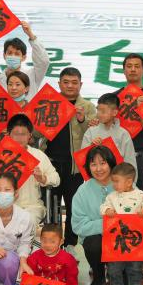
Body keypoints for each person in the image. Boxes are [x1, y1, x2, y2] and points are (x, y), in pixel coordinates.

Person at [46, 68, 97, 248]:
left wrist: (82, 120)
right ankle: (52, 245)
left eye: (74, 82)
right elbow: (36, 132)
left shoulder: (88, 106)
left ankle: (70, 245)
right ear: (59, 84)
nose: (70, 86)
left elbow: (94, 134)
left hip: (75, 166)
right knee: (51, 208)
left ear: (80, 84)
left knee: (73, 206)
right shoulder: (49, 103)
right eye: (66, 82)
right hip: (51, 164)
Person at [6, 224, 78, 285]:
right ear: (40, 240)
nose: (48, 245)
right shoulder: (35, 256)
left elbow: (72, 275)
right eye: (44, 241)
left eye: (52, 242)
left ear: (61, 241)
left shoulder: (68, 258)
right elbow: (28, 273)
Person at [70, 145, 118, 285]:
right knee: (93, 242)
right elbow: (78, 225)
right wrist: (105, 225)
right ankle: (98, 277)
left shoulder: (123, 184)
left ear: (111, 163)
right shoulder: (82, 191)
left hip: (120, 236)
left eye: (103, 163)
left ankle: (118, 275)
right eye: (93, 164)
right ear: (88, 167)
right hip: (95, 239)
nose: (98, 169)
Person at [100, 163, 143, 285]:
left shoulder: (141, 195)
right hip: (116, 240)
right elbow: (103, 207)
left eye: (117, 181)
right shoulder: (111, 197)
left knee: (135, 265)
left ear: (129, 182)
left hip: (134, 240)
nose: (114, 184)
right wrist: (107, 210)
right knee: (114, 265)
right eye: (113, 181)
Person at [4, 115, 60, 230]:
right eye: (16, 134)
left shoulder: (38, 155)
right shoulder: (1, 154)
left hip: (32, 207)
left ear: (30, 135)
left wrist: (42, 178)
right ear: (9, 135)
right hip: (5, 206)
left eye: (23, 134)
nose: (19, 138)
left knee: (25, 223)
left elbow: (56, 179)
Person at [114, 53, 143, 192]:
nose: (133, 69)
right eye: (129, 66)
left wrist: (141, 109)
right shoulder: (114, 97)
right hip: (120, 155)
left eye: (137, 66)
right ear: (124, 70)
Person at [82, 93, 137, 171]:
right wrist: (91, 147)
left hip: (118, 176)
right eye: (98, 110)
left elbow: (130, 161)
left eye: (103, 111)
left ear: (114, 113)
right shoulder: (91, 131)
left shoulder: (123, 134)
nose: (99, 114)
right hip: (96, 175)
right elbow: (82, 159)